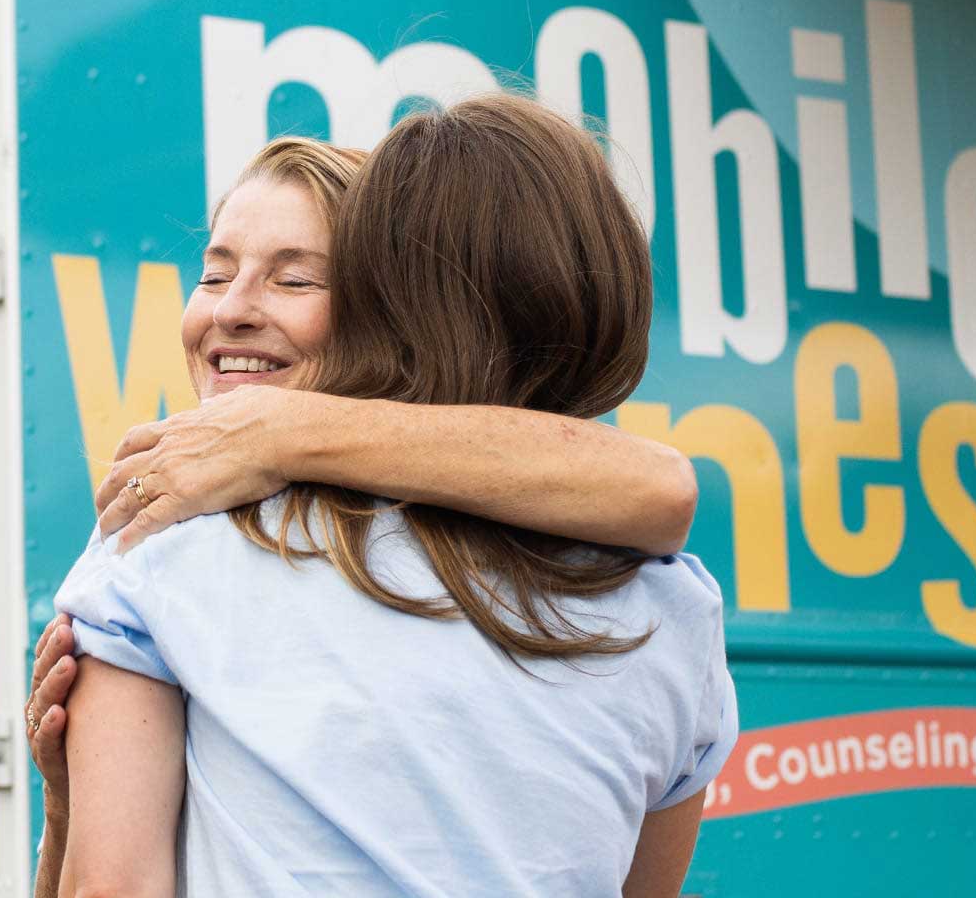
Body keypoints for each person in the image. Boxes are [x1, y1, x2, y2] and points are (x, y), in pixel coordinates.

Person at [42, 94, 734, 897]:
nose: (233, 309)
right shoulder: (674, 610)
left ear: (381, 305)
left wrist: (62, 823)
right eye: (212, 272)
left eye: (299, 278)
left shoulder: (166, 539)